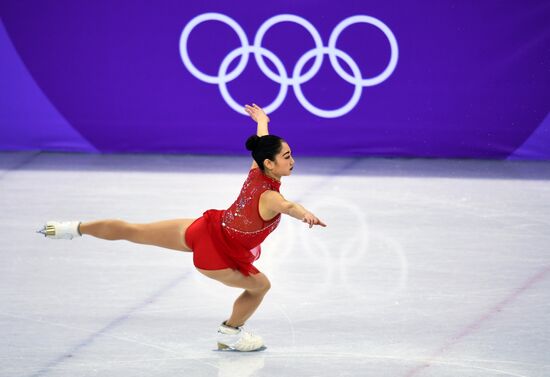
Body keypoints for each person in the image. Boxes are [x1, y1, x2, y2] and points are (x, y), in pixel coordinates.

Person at [38, 104, 326, 352]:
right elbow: (288, 207)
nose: (292, 159)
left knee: (135, 231)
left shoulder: (257, 169)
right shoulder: (271, 197)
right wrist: (307, 214)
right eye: (286, 156)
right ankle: (230, 333)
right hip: (217, 256)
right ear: (269, 163)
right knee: (261, 286)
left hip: (205, 229)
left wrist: (263, 122)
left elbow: (262, 141)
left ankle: (71, 228)